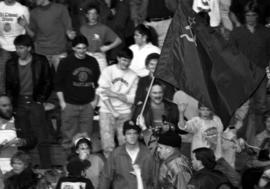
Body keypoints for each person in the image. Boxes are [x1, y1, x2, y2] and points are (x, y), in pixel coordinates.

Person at [5, 34, 52, 168]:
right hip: (18, 103)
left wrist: (40, 100)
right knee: (23, 139)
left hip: (35, 101)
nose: (18, 51)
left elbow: (48, 81)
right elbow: (8, 86)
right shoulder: (11, 63)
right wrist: (11, 105)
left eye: (21, 48)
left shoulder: (40, 61)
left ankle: (46, 168)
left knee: (42, 137)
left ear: (29, 48)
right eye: (16, 48)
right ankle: (24, 169)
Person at [229, 1, 270, 144]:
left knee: (261, 105)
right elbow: (231, 56)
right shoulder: (236, 33)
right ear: (244, 16)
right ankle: (239, 137)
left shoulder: (266, 33)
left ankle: (259, 136)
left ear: (257, 16)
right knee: (242, 108)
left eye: (253, 15)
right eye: (248, 15)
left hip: (261, 76)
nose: (251, 18)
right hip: (242, 76)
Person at [54, 35, 100, 151]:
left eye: (84, 48)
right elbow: (58, 84)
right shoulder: (65, 62)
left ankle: (84, 165)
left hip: (87, 105)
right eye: (78, 48)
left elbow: (100, 84)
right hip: (69, 104)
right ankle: (68, 165)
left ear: (87, 48)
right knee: (68, 137)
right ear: (73, 48)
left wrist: (94, 102)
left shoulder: (92, 61)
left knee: (85, 138)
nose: (81, 51)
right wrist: (62, 103)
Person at [96, 48, 138, 158]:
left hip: (125, 112)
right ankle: (110, 168)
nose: (126, 63)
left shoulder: (133, 75)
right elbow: (102, 92)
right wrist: (113, 111)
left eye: (129, 61)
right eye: (124, 60)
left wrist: (113, 94)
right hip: (106, 111)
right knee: (107, 143)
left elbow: (132, 98)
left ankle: (124, 166)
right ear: (118, 58)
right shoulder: (108, 71)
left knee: (125, 142)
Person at [99, 120, 155, 189]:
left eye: (135, 133)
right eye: (129, 133)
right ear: (124, 135)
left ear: (138, 135)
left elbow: (154, 180)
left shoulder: (147, 154)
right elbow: (105, 178)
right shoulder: (116, 154)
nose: (132, 136)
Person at [20, 0, 74, 70]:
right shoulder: (33, 13)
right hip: (41, 53)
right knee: (42, 80)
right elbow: (32, 35)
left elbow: (69, 29)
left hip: (59, 51)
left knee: (62, 79)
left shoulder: (61, 8)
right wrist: (25, 26)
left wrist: (70, 34)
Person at [134, 81, 180, 153]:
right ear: (149, 93)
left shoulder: (173, 107)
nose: (158, 95)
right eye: (154, 93)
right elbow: (135, 129)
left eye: (160, 92)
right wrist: (141, 134)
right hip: (147, 146)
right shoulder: (141, 109)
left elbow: (180, 128)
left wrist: (171, 127)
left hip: (167, 147)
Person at [80, 4, 122, 71]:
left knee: (103, 79)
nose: (92, 16)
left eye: (94, 13)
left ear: (97, 15)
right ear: (86, 15)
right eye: (90, 14)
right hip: (86, 55)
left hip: (99, 56)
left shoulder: (103, 28)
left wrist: (107, 47)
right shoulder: (82, 28)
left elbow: (118, 40)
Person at [0, 0, 29, 94]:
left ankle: (20, 94)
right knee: (2, 72)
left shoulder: (22, 9)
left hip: (19, 46)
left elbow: (26, 28)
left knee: (20, 72)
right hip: (3, 45)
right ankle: (3, 95)